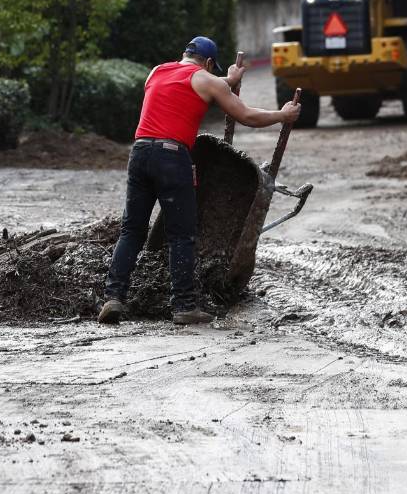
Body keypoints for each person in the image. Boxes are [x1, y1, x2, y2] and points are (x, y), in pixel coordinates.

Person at [98, 36, 303, 326]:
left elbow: (195, 85)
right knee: (181, 233)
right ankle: (183, 305)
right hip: (172, 157)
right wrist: (283, 114)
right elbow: (245, 115)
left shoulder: (156, 72)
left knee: (131, 230)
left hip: (140, 152)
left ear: (185, 54)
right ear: (208, 63)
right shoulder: (208, 80)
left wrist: (228, 79)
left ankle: (113, 298)